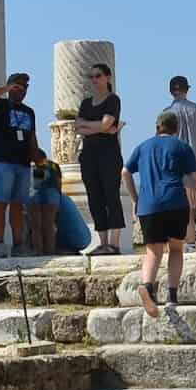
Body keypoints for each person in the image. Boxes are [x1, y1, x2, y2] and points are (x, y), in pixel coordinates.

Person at [123, 111, 196, 318]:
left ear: (157, 127)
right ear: (177, 128)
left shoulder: (143, 147)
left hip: (148, 205)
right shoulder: (181, 146)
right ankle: (172, 294)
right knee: (176, 249)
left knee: (153, 251)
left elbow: (125, 172)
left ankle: (148, 287)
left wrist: (135, 198)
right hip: (175, 202)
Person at [0, 72, 37, 255]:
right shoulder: (1, 105)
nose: (22, 90)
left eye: (25, 87)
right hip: (3, 161)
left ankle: (18, 244)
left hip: (23, 163)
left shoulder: (29, 112)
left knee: (18, 205)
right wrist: (5, 89)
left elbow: (32, 137)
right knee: (1, 203)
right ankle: (0, 243)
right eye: (18, 86)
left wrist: (37, 155)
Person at [72, 62, 126, 255]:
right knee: (94, 198)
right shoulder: (86, 103)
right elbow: (78, 126)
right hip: (89, 156)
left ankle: (115, 243)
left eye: (98, 76)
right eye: (92, 76)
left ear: (107, 77)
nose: (94, 79)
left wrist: (91, 126)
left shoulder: (113, 100)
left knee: (111, 196)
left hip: (109, 156)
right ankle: (102, 243)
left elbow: (106, 124)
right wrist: (100, 127)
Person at [27, 146, 66, 255]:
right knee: (49, 225)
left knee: (36, 226)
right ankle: (50, 253)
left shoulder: (34, 167)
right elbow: (58, 184)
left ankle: (38, 253)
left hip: (35, 194)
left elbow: (36, 185)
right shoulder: (53, 166)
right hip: (52, 195)